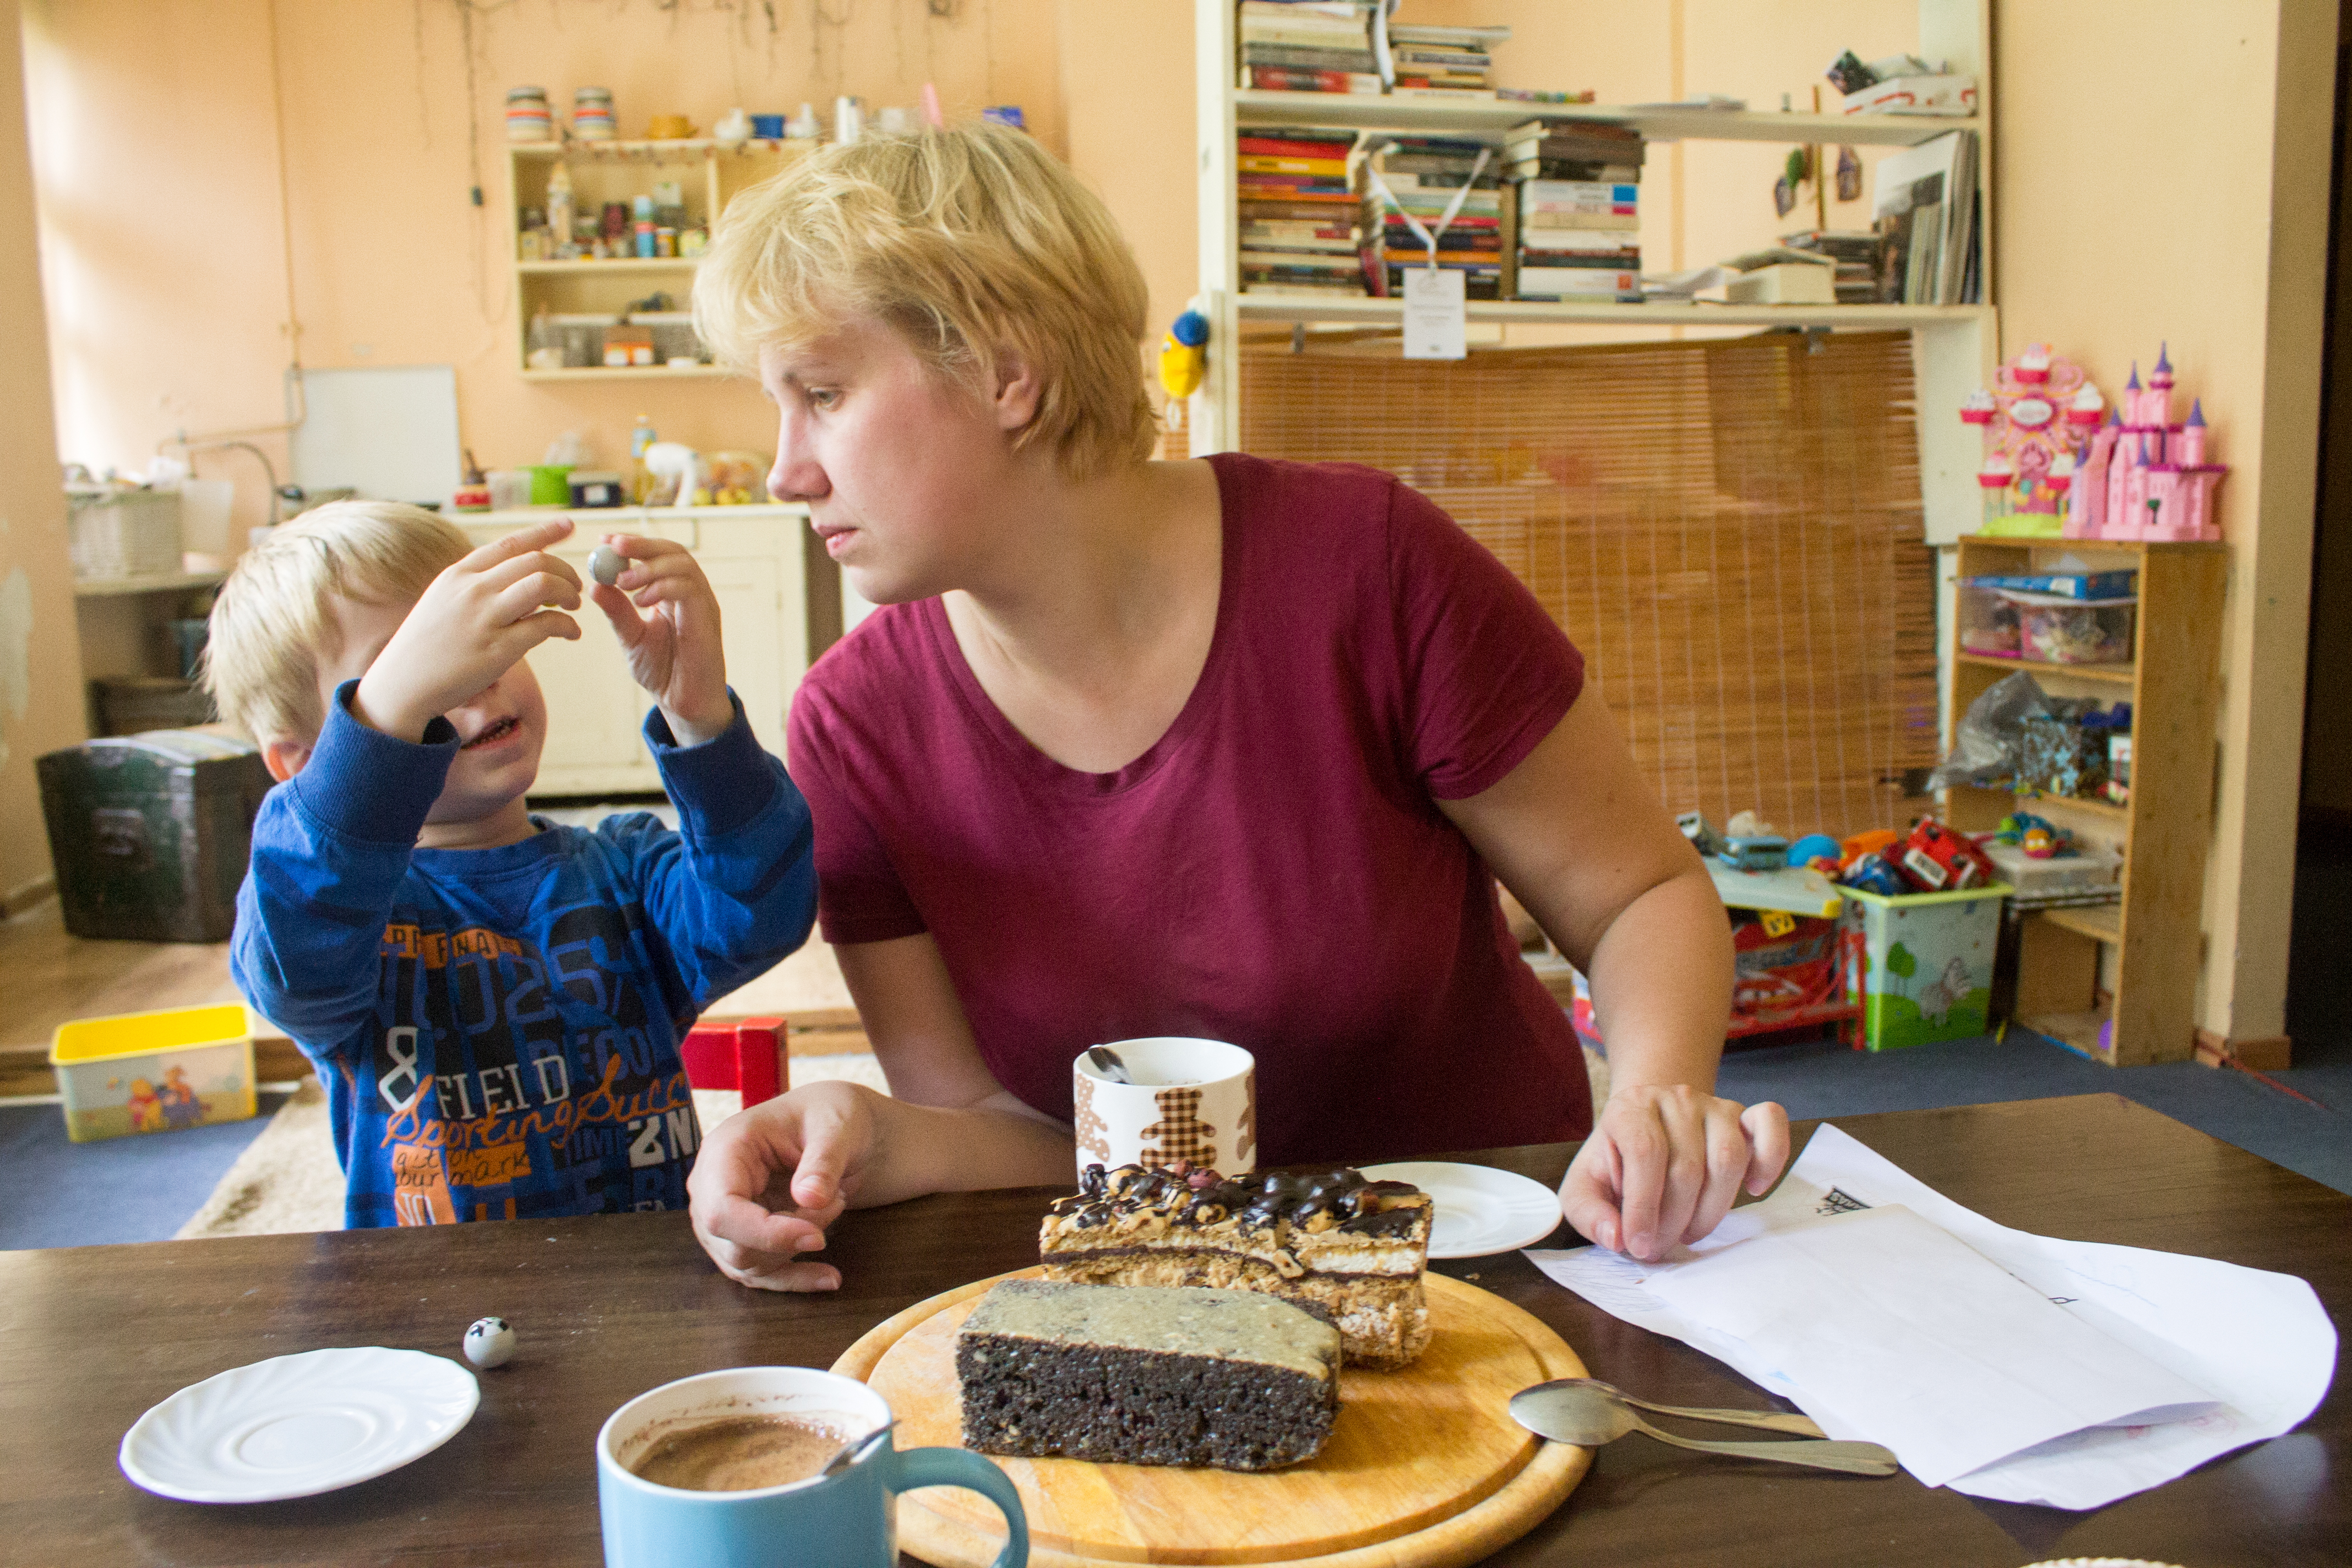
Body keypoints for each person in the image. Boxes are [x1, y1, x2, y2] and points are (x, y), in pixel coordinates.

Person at [685, 124, 1788, 1292]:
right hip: (1176, 1305)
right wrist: (866, 1126)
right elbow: (1015, 1139)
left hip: (1496, 1254)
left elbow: (1640, 894)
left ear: (1007, 375)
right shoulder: (855, 729)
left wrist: (1658, 1100)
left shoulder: (1366, 566)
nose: (783, 469)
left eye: (822, 393)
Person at [206, 502, 816, 1227]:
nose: (476, 684)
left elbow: (764, 914)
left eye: (481, 647)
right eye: (422, 674)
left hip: (653, 1287)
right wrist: (387, 723)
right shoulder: (345, 925)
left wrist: (703, 721)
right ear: (305, 763)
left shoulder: (624, 863)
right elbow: (292, 943)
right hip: (437, 1313)